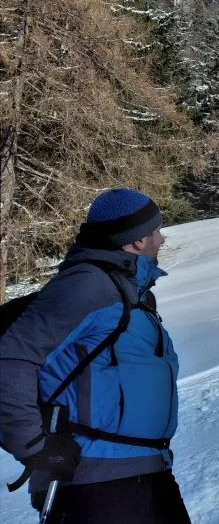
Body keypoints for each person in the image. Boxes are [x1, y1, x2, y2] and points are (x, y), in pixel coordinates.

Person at [0, 188, 190, 523]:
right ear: (137, 241)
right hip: (94, 481)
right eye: (156, 231)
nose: (161, 239)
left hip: (149, 471)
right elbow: (10, 358)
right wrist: (34, 447)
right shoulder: (88, 285)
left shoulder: (133, 294)